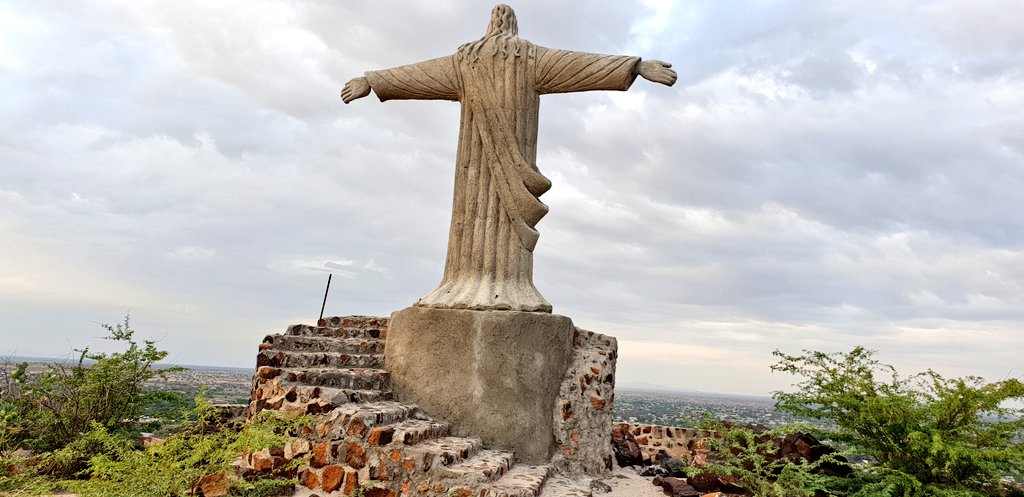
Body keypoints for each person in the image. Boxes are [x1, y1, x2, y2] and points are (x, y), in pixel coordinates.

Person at [342, 4, 676, 313]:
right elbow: (578, 65)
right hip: (504, 157)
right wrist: (636, 66)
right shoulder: (530, 58)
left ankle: (463, 288)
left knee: (473, 218)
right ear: (513, 28)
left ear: (490, 26)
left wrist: (371, 81)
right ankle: (504, 289)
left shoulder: (464, 61)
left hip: (474, 165)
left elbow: (416, 75)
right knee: (484, 224)